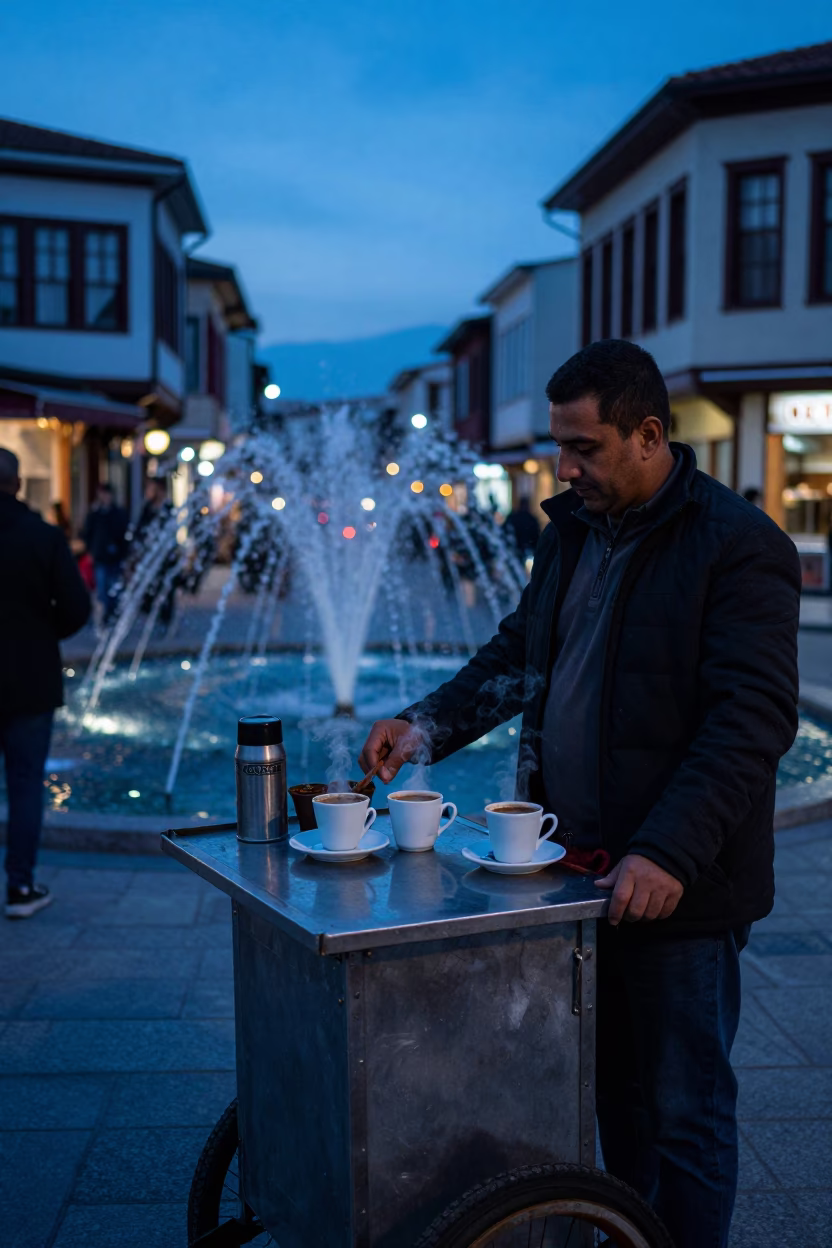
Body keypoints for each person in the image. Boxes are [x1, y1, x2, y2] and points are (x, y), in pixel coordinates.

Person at [357, 340, 801, 1248]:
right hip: (576, 871)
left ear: (647, 434)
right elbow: (519, 660)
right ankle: (627, 1235)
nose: (565, 468)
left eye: (585, 448)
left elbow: (749, 722)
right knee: (616, 1103)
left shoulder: (740, 547)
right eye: (559, 447)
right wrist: (424, 726)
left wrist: (669, 849)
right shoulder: (572, 532)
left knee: (687, 1112)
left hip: (676, 886)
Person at [0, 448, 91, 918]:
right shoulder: (42, 536)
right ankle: (19, 886)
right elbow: (77, 608)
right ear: (16, 484)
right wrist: (39, 633)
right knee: (24, 784)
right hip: (28, 678)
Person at [128, 477, 176, 626]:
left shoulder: (168, 508)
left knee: (166, 588)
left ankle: (164, 618)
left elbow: (172, 530)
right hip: (149, 556)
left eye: (152, 489)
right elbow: (139, 531)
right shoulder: (147, 508)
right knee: (149, 588)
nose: (149, 492)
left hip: (165, 557)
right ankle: (151, 616)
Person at [81, 482, 128, 624]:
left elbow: (123, 534)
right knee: (102, 590)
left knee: (114, 589)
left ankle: (112, 614)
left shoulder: (117, 513)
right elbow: (87, 533)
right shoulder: (95, 514)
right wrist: (91, 551)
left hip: (115, 557)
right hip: (100, 557)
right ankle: (107, 615)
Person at [502, 495, 541, 562]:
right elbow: (536, 535)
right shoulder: (531, 519)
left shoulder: (513, 517)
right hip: (525, 549)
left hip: (517, 549)